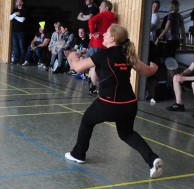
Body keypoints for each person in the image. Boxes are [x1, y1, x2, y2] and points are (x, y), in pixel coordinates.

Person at [65, 24, 163, 179]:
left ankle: (78, 154)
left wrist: (71, 56)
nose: (103, 35)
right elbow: (148, 71)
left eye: (106, 33)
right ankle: (152, 159)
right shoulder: (127, 55)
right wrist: (154, 66)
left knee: (87, 121)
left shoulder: (102, 55)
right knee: (127, 134)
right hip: (129, 104)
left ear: (112, 38)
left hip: (109, 104)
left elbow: (77, 67)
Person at [87, 0, 117, 95]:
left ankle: (93, 86)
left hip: (96, 43)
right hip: (104, 45)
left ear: (106, 8)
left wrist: (92, 32)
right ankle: (92, 84)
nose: (99, 7)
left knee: (94, 66)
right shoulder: (113, 18)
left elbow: (91, 21)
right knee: (96, 66)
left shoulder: (103, 14)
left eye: (101, 5)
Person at [9, 0, 27, 64]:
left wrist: (15, 16)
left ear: (21, 3)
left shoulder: (24, 10)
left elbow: (22, 20)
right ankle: (16, 59)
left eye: (18, 1)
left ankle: (21, 60)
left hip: (21, 31)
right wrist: (14, 14)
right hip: (14, 31)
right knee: (15, 46)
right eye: (17, 0)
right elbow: (10, 18)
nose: (17, 1)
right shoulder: (15, 10)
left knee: (21, 46)